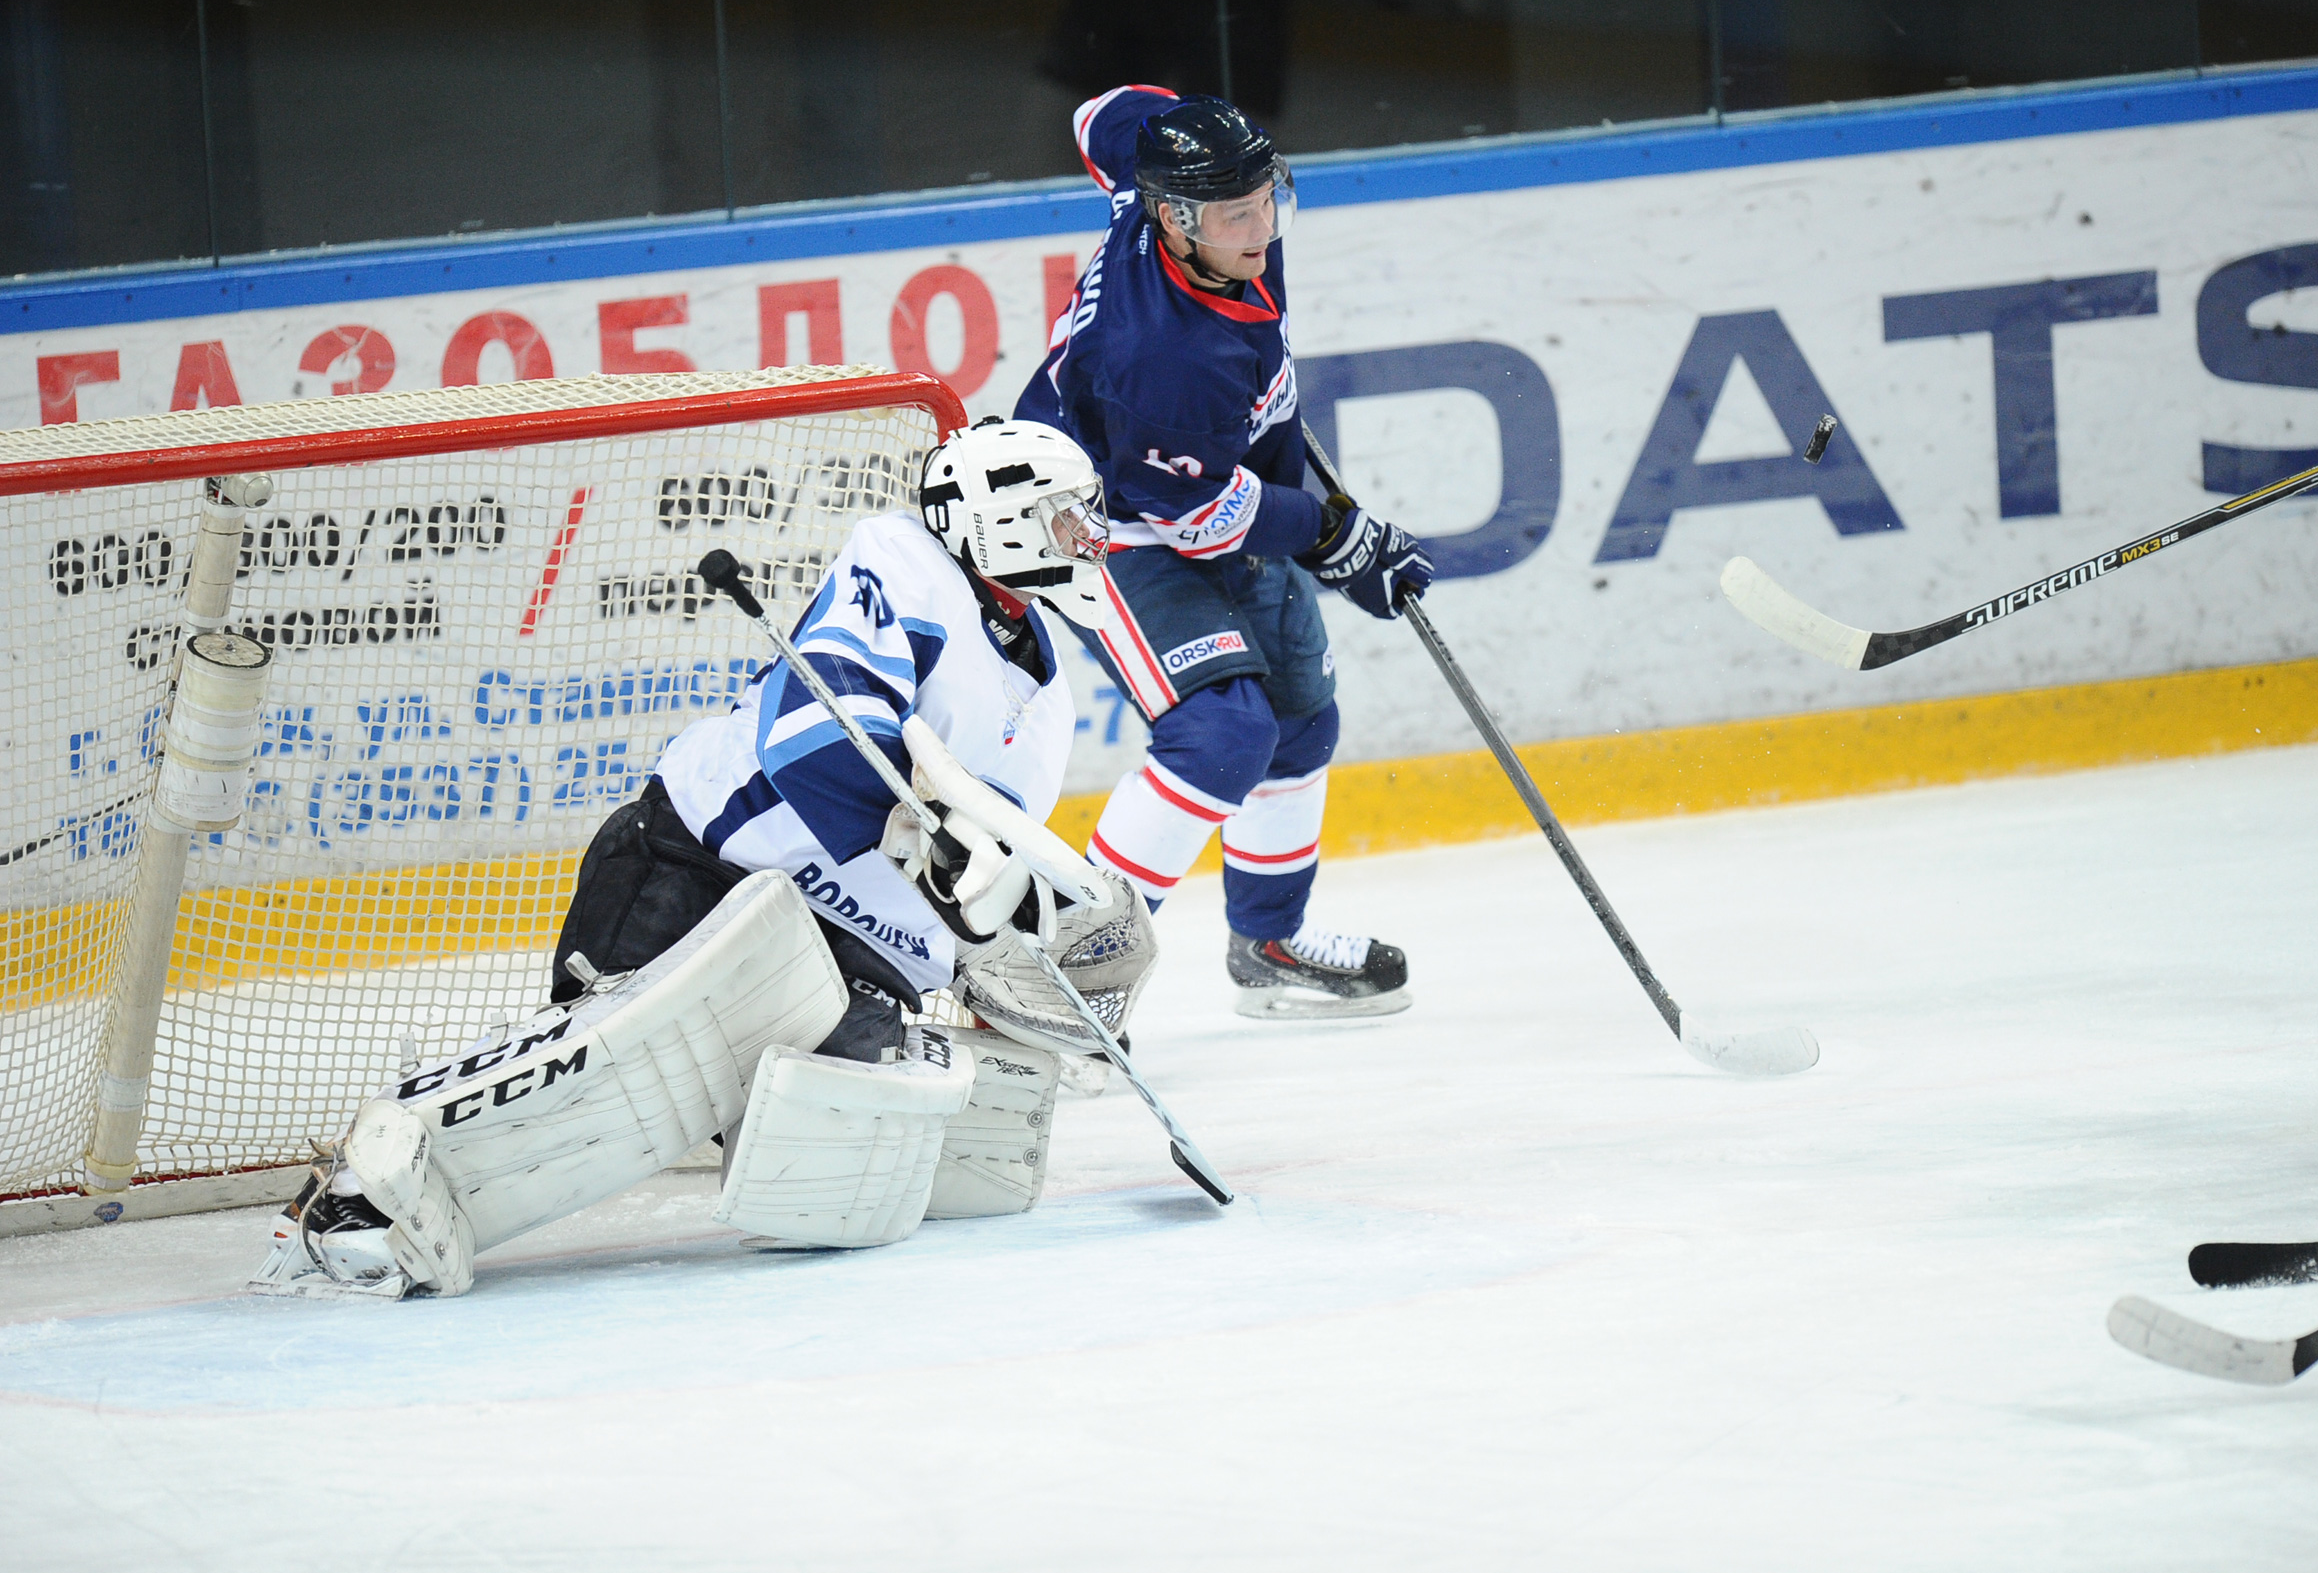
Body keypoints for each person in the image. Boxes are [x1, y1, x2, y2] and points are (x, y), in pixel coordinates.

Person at [250, 419, 1159, 1299]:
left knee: (883, 1152)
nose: (1090, 540)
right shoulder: (903, 564)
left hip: (845, 963)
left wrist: (1025, 937)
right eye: (1068, 516)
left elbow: (973, 887)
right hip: (706, 877)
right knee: (600, 1088)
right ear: (998, 517)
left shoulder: (1048, 709)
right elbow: (811, 731)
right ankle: (353, 1201)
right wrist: (912, 834)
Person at [1015, 86, 1435, 1020]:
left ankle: (1270, 943)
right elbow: (1197, 516)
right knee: (1220, 737)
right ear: (1177, 219)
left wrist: (1189, 121)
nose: (1262, 229)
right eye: (1238, 215)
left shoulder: (1162, 190)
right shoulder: (1163, 356)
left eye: (1267, 202)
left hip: (1197, 477)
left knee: (1298, 722)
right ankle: (1069, 976)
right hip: (1101, 522)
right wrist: (1336, 537)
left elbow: (1103, 113)